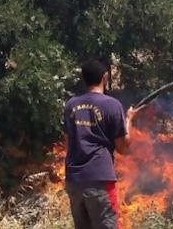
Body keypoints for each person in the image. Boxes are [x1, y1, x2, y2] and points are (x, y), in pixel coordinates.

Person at [64, 58, 139, 229]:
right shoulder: (112, 105)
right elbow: (123, 147)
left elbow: (68, 145)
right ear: (105, 78)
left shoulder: (71, 105)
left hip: (74, 181)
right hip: (99, 180)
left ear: (83, 79)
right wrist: (130, 120)